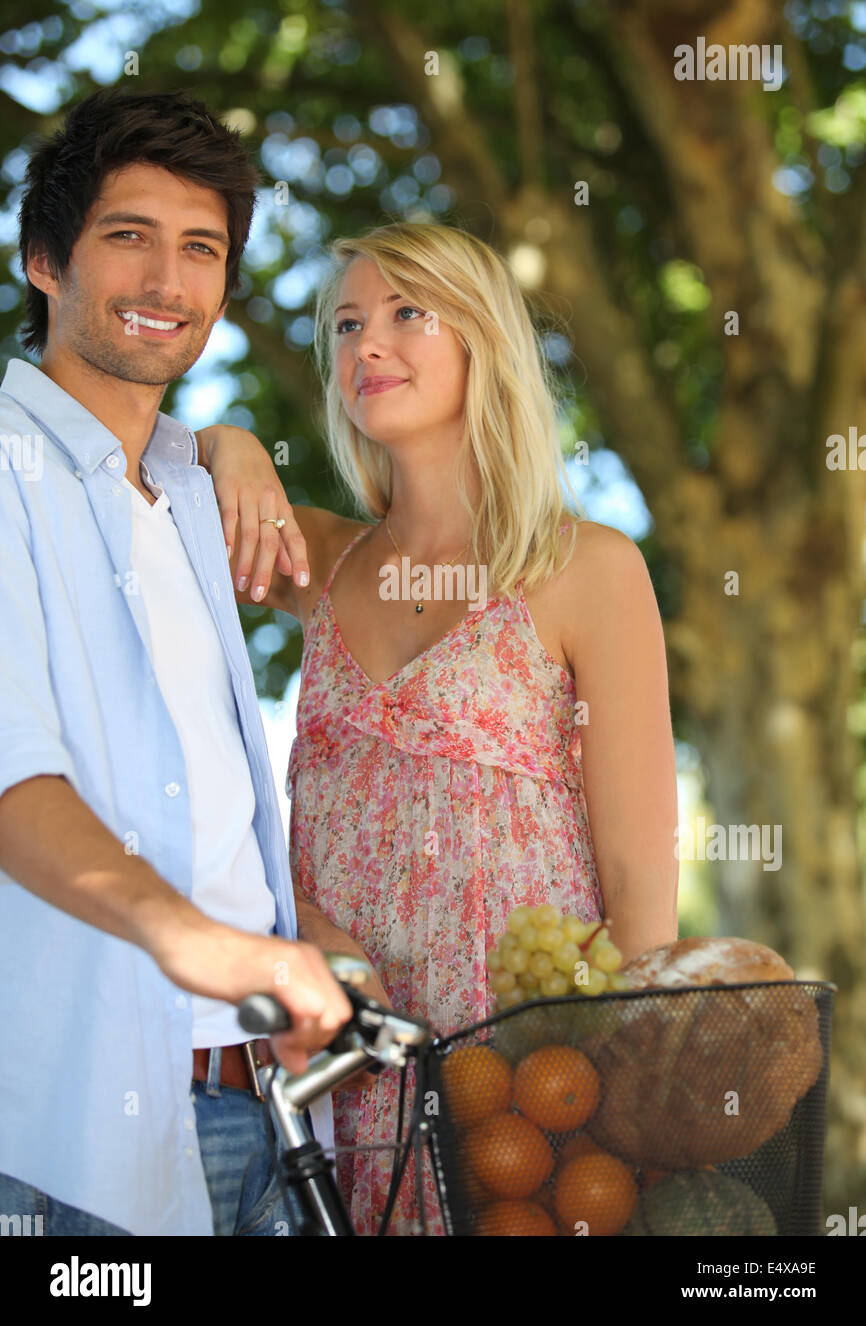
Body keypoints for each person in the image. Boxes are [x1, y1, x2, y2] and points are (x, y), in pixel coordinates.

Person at [196, 221, 680, 1234]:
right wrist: (227, 439)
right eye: (345, 324)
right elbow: (159, 476)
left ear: (483, 341)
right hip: (344, 1072)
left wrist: (632, 1114)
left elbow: (640, 886)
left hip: (524, 1080)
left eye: (406, 312)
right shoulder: (318, 563)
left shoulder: (587, 568)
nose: (365, 344)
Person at [0, 87, 371, 1237]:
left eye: (199, 249)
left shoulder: (193, 494)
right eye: (129, 237)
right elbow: (14, 787)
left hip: (259, 1108)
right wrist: (225, 951)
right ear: (42, 261)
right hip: (67, 1141)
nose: (168, 282)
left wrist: (298, 949)